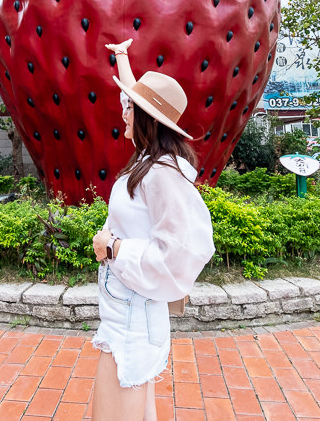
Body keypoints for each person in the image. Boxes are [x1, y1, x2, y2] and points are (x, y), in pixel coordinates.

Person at [91, 39, 215, 420]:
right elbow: (136, 94)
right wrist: (123, 58)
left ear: (145, 118)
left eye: (129, 109)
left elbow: (178, 254)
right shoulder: (150, 164)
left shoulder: (161, 174)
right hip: (125, 311)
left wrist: (112, 248)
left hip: (132, 316)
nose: (122, 114)